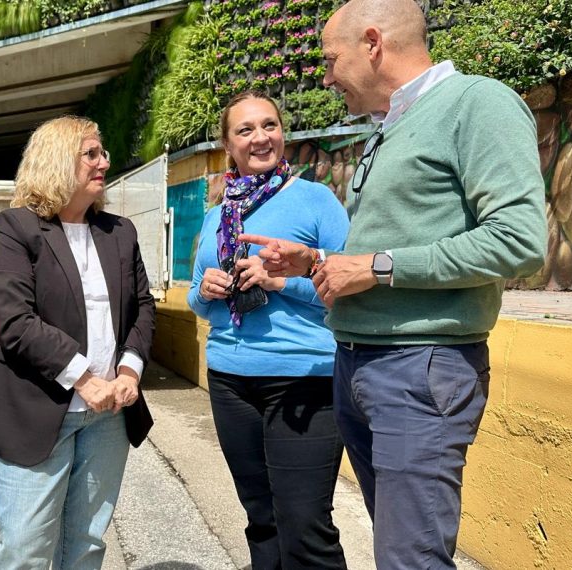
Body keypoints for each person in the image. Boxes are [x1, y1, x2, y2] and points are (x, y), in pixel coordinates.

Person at [241, 0, 548, 567]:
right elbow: (394, 247)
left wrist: (376, 266)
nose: (327, 77)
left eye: (332, 59)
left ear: (373, 43)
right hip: (361, 365)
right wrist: (317, 261)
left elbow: (518, 241)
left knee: (411, 560)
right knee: (402, 551)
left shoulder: (478, 104)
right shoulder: (392, 124)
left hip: (420, 367)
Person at [0, 116, 156, 569]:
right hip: (37, 410)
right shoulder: (17, 228)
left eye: (102, 153)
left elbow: (143, 306)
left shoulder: (119, 231)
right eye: (90, 153)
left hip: (108, 417)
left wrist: (129, 370)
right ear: (57, 161)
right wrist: (84, 378)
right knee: (27, 549)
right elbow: (15, 322)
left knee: (86, 543)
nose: (103, 161)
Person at [188, 90, 349, 569]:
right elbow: (198, 297)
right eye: (246, 130)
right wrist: (210, 289)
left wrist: (281, 281)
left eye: (269, 126)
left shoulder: (316, 201)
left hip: (305, 379)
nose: (261, 138)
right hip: (231, 382)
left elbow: (346, 288)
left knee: (305, 524)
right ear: (228, 146)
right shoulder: (219, 216)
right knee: (261, 518)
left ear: (283, 133)